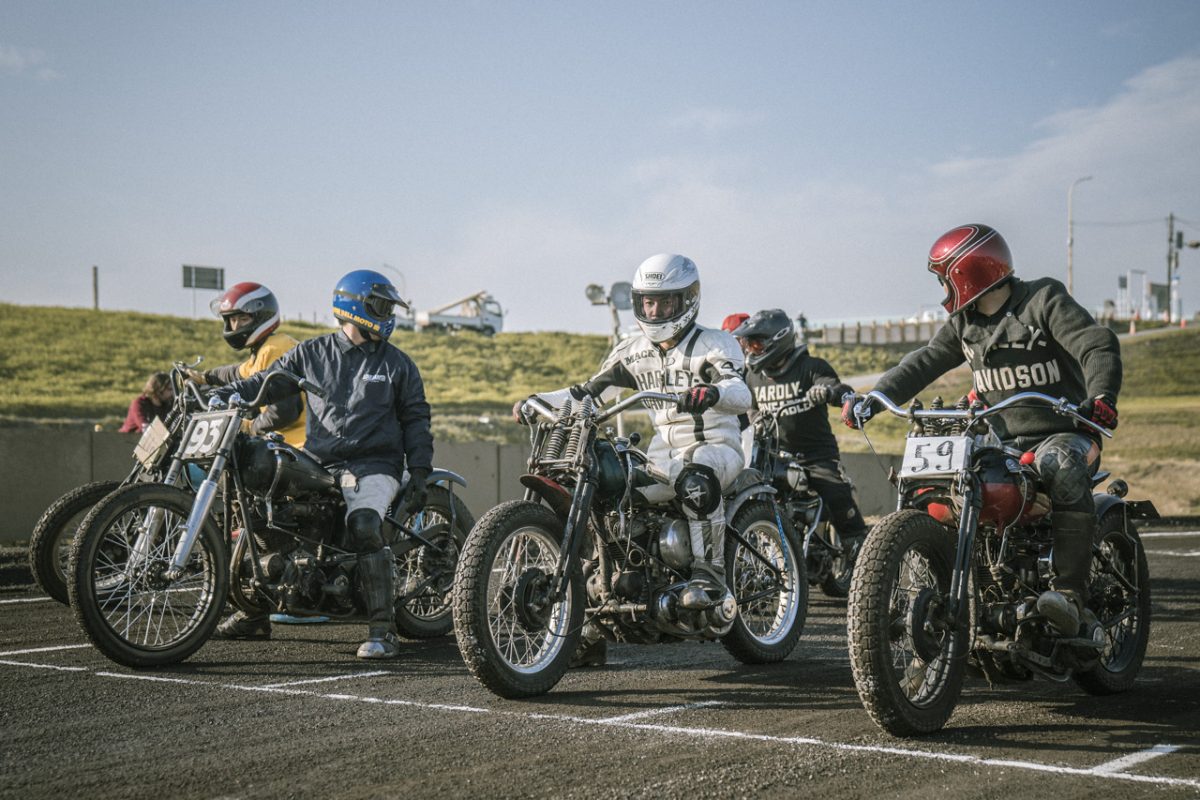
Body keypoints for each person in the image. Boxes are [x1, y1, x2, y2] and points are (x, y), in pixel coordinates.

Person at [842, 223, 1121, 636]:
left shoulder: (1043, 300)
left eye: (944, 278)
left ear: (965, 273)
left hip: (1063, 432)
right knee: (946, 478)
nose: (942, 289)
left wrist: (1101, 396)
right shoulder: (964, 323)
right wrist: (875, 398)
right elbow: (924, 361)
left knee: (1060, 466)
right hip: (999, 441)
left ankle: (1069, 593)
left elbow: (1095, 344)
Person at [212, 269, 433, 659]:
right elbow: (265, 382)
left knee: (364, 524)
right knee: (260, 508)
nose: (387, 315)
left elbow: (416, 419)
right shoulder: (311, 353)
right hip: (318, 460)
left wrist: (419, 472)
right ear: (356, 307)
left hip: (374, 464)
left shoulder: (398, 364)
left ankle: (383, 629)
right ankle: (254, 611)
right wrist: (223, 393)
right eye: (381, 306)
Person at [522, 254, 752, 624]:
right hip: (662, 455)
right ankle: (604, 596)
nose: (655, 311)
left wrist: (712, 393)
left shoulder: (714, 344)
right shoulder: (633, 351)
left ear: (687, 300)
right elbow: (587, 394)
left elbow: (740, 393)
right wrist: (538, 401)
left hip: (717, 446)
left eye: (665, 302)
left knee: (695, 479)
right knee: (615, 498)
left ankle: (709, 574)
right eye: (648, 302)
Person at [731, 309, 869, 562]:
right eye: (747, 344)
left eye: (756, 343)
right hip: (771, 459)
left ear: (777, 339)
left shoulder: (811, 367)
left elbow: (838, 388)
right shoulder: (751, 377)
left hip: (814, 456)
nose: (750, 350)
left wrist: (826, 391)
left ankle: (860, 551)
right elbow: (744, 410)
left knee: (836, 493)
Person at [185, 282, 307, 447]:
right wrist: (204, 377)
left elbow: (284, 411)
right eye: (233, 319)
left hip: (299, 445)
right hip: (283, 442)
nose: (236, 326)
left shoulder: (275, 348)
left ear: (262, 317)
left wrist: (250, 427)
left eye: (243, 319)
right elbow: (237, 373)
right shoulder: (262, 350)